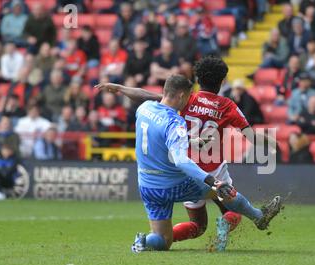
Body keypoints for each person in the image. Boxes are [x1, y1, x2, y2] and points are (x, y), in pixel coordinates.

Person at [96, 56, 279, 251]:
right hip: (206, 171)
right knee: (229, 199)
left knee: (197, 226)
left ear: (198, 78)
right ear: (222, 81)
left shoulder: (178, 102)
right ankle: (256, 218)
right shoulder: (227, 106)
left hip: (178, 171)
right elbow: (251, 137)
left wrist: (121, 89)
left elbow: (148, 96)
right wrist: (272, 142)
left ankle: (151, 240)